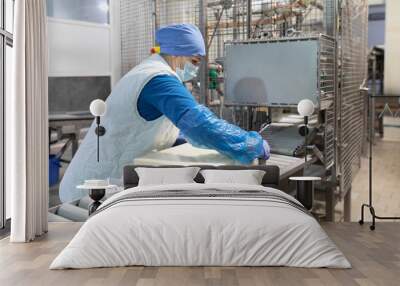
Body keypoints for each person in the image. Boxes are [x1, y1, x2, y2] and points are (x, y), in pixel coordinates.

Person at [59, 24, 270, 203]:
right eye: (194, 62)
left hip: (102, 180)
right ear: (176, 53)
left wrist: (181, 140)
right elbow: (200, 125)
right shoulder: (158, 79)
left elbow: (151, 126)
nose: (195, 69)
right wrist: (251, 144)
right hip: (93, 188)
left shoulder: (150, 72)